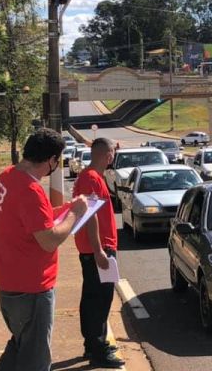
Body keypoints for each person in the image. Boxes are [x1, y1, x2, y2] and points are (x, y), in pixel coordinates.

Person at [0, 128, 89, 371]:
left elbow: (31, 221)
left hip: (9, 286)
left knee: (19, 347)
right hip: (32, 290)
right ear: (52, 160)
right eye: (59, 161)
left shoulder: (7, 176)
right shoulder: (31, 190)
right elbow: (49, 239)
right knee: (35, 360)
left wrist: (65, 209)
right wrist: (75, 214)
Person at [72, 138, 124, 368]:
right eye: (113, 152)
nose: (113, 156)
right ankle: (98, 349)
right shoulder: (91, 178)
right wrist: (99, 251)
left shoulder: (91, 176)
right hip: (99, 250)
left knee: (98, 298)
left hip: (99, 248)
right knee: (99, 300)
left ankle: (95, 343)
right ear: (108, 155)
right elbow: (90, 215)